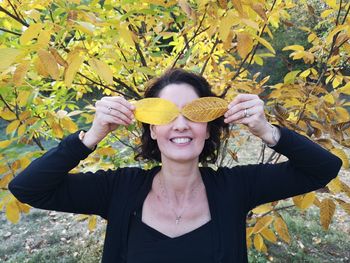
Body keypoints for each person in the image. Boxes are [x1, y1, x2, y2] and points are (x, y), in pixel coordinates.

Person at [9, 68, 342, 263]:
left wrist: (267, 131)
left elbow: (323, 168)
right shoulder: (118, 190)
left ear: (209, 126)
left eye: (193, 113)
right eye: (167, 114)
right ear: (153, 129)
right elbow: (28, 187)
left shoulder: (237, 187)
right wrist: (90, 136)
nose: (181, 125)